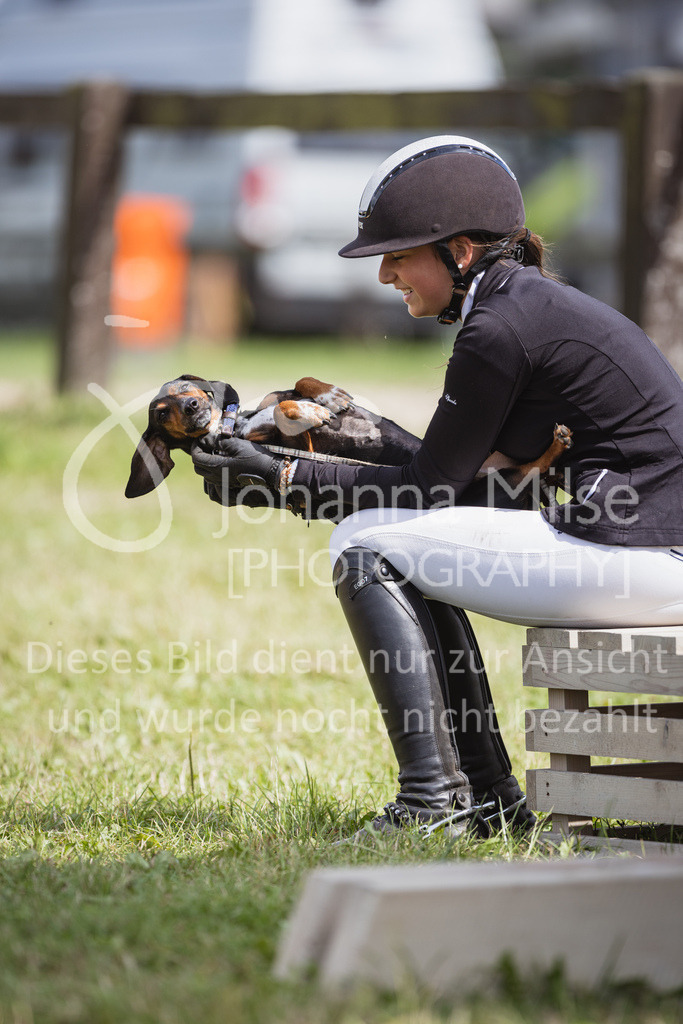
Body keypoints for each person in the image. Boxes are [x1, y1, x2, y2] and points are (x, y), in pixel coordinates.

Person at [192, 136, 683, 840]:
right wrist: (354, 434)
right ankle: (484, 801)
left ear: (458, 251)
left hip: (646, 558)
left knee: (364, 545)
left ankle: (435, 802)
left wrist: (284, 480)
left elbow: (430, 491)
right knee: (402, 540)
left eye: (397, 254)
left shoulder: (499, 327)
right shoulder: (522, 307)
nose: (384, 274)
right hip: (648, 552)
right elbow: (463, 484)